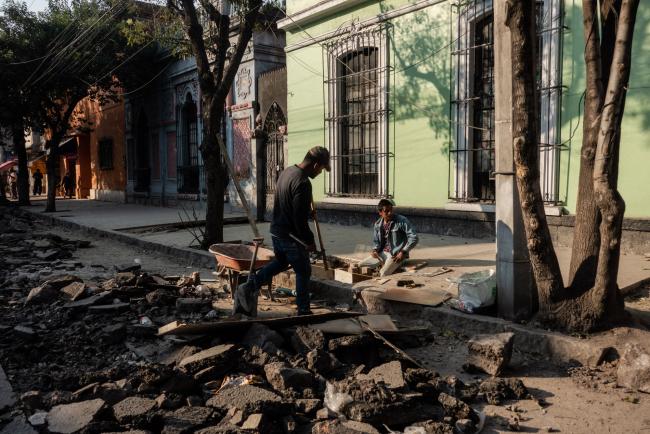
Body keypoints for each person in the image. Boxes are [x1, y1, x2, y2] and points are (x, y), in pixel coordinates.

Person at [234, 146, 331, 317]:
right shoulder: (303, 183)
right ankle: (303, 310)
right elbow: (298, 219)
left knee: (280, 262)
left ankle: (249, 285)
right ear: (316, 165)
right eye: (322, 168)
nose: (321, 172)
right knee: (303, 270)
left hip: (276, 230)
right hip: (291, 235)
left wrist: (307, 212)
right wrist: (309, 241)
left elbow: (289, 204)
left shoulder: (287, 172)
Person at [358, 199, 419, 277]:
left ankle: (398, 263)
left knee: (382, 273)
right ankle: (387, 265)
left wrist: (403, 252)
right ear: (380, 213)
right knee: (360, 266)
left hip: (395, 255)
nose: (390, 213)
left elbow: (414, 237)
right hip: (381, 253)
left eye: (391, 210)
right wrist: (375, 250)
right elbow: (376, 241)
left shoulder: (402, 220)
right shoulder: (377, 224)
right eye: (386, 211)